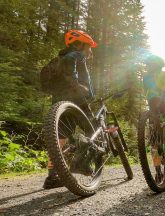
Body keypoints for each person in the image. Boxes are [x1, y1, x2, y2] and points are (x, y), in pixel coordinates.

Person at [42, 30, 97, 189]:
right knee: (93, 131)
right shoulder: (76, 55)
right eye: (89, 47)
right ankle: (82, 163)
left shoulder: (59, 58)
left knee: (60, 137)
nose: (90, 51)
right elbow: (75, 71)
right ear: (82, 45)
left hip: (59, 100)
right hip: (77, 99)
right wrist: (82, 89)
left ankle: (52, 177)